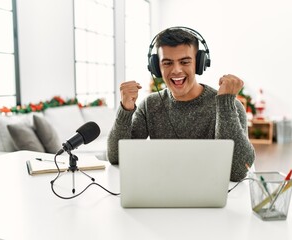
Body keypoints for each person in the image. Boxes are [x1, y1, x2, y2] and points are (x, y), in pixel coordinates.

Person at [107, 27, 255, 182]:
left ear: (199, 64)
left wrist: (225, 105)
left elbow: (238, 171)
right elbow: (117, 158)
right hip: (162, 191)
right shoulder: (150, 105)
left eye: (184, 62)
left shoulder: (230, 107)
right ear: (156, 67)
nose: (176, 70)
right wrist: (125, 109)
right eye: (167, 63)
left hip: (213, 201)